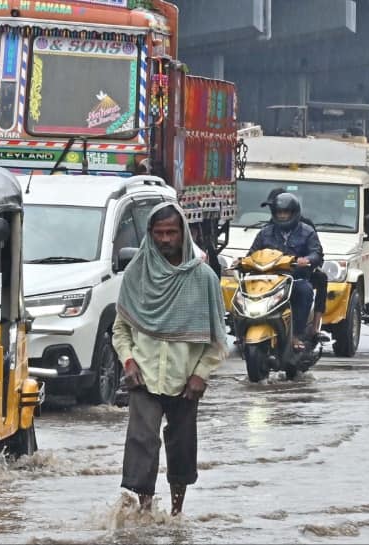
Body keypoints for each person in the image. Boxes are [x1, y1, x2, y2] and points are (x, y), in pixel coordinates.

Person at [112, 203, 228, 516]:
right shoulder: (137, 274)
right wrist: (128, 362)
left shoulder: (203, 278)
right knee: (142, 442)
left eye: (171, 232)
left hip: (185, 380)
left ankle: (177, 512)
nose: (165, 239)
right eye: (159, 233)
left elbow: (219, 340)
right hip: (145, 377)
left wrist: (201, 374)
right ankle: (145, 510)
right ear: (150, 235)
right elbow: (120, 330)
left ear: (183, 234)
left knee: (182, 448)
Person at [248, 192, 323, 349]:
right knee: (242, 291)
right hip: (268, 281)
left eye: (285, 212)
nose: (282, 216)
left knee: (305, 290)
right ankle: (242, 330)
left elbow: (316, 253)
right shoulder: (265, 232)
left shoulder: (307, 231)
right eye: (279, 212)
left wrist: (307, 260)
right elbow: (252, 253)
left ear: (294, 213)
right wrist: (242, 261)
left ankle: (296, 334)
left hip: (294, 279)